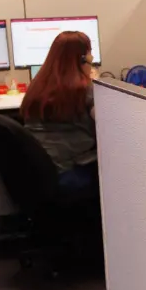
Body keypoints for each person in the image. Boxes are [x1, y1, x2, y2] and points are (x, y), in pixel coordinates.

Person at [19, 31, 100, 192]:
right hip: (73, 173)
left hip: (41, 173)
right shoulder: (84, 90)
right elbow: (108, 125)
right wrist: (95, 83)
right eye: (90, 53)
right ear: (84, 58)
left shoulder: (36, 87)